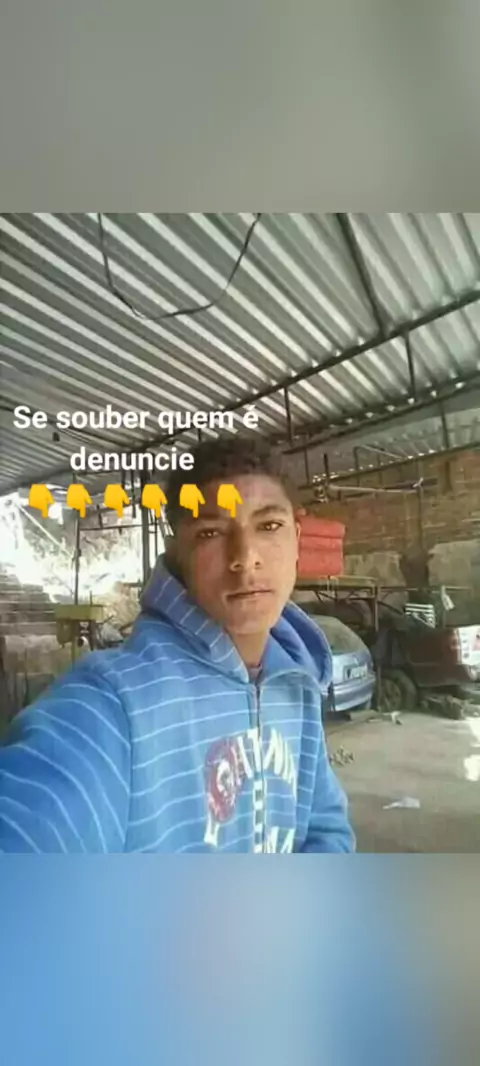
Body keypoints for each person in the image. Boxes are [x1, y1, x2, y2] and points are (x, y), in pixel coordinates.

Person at [0, 438, 355, 853]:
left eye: (269, 526)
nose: (246, 557)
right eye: (211, 532)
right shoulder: (114, 702)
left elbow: (327, 829)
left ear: (297, 538)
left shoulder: (299, 685)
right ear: (178, 553)